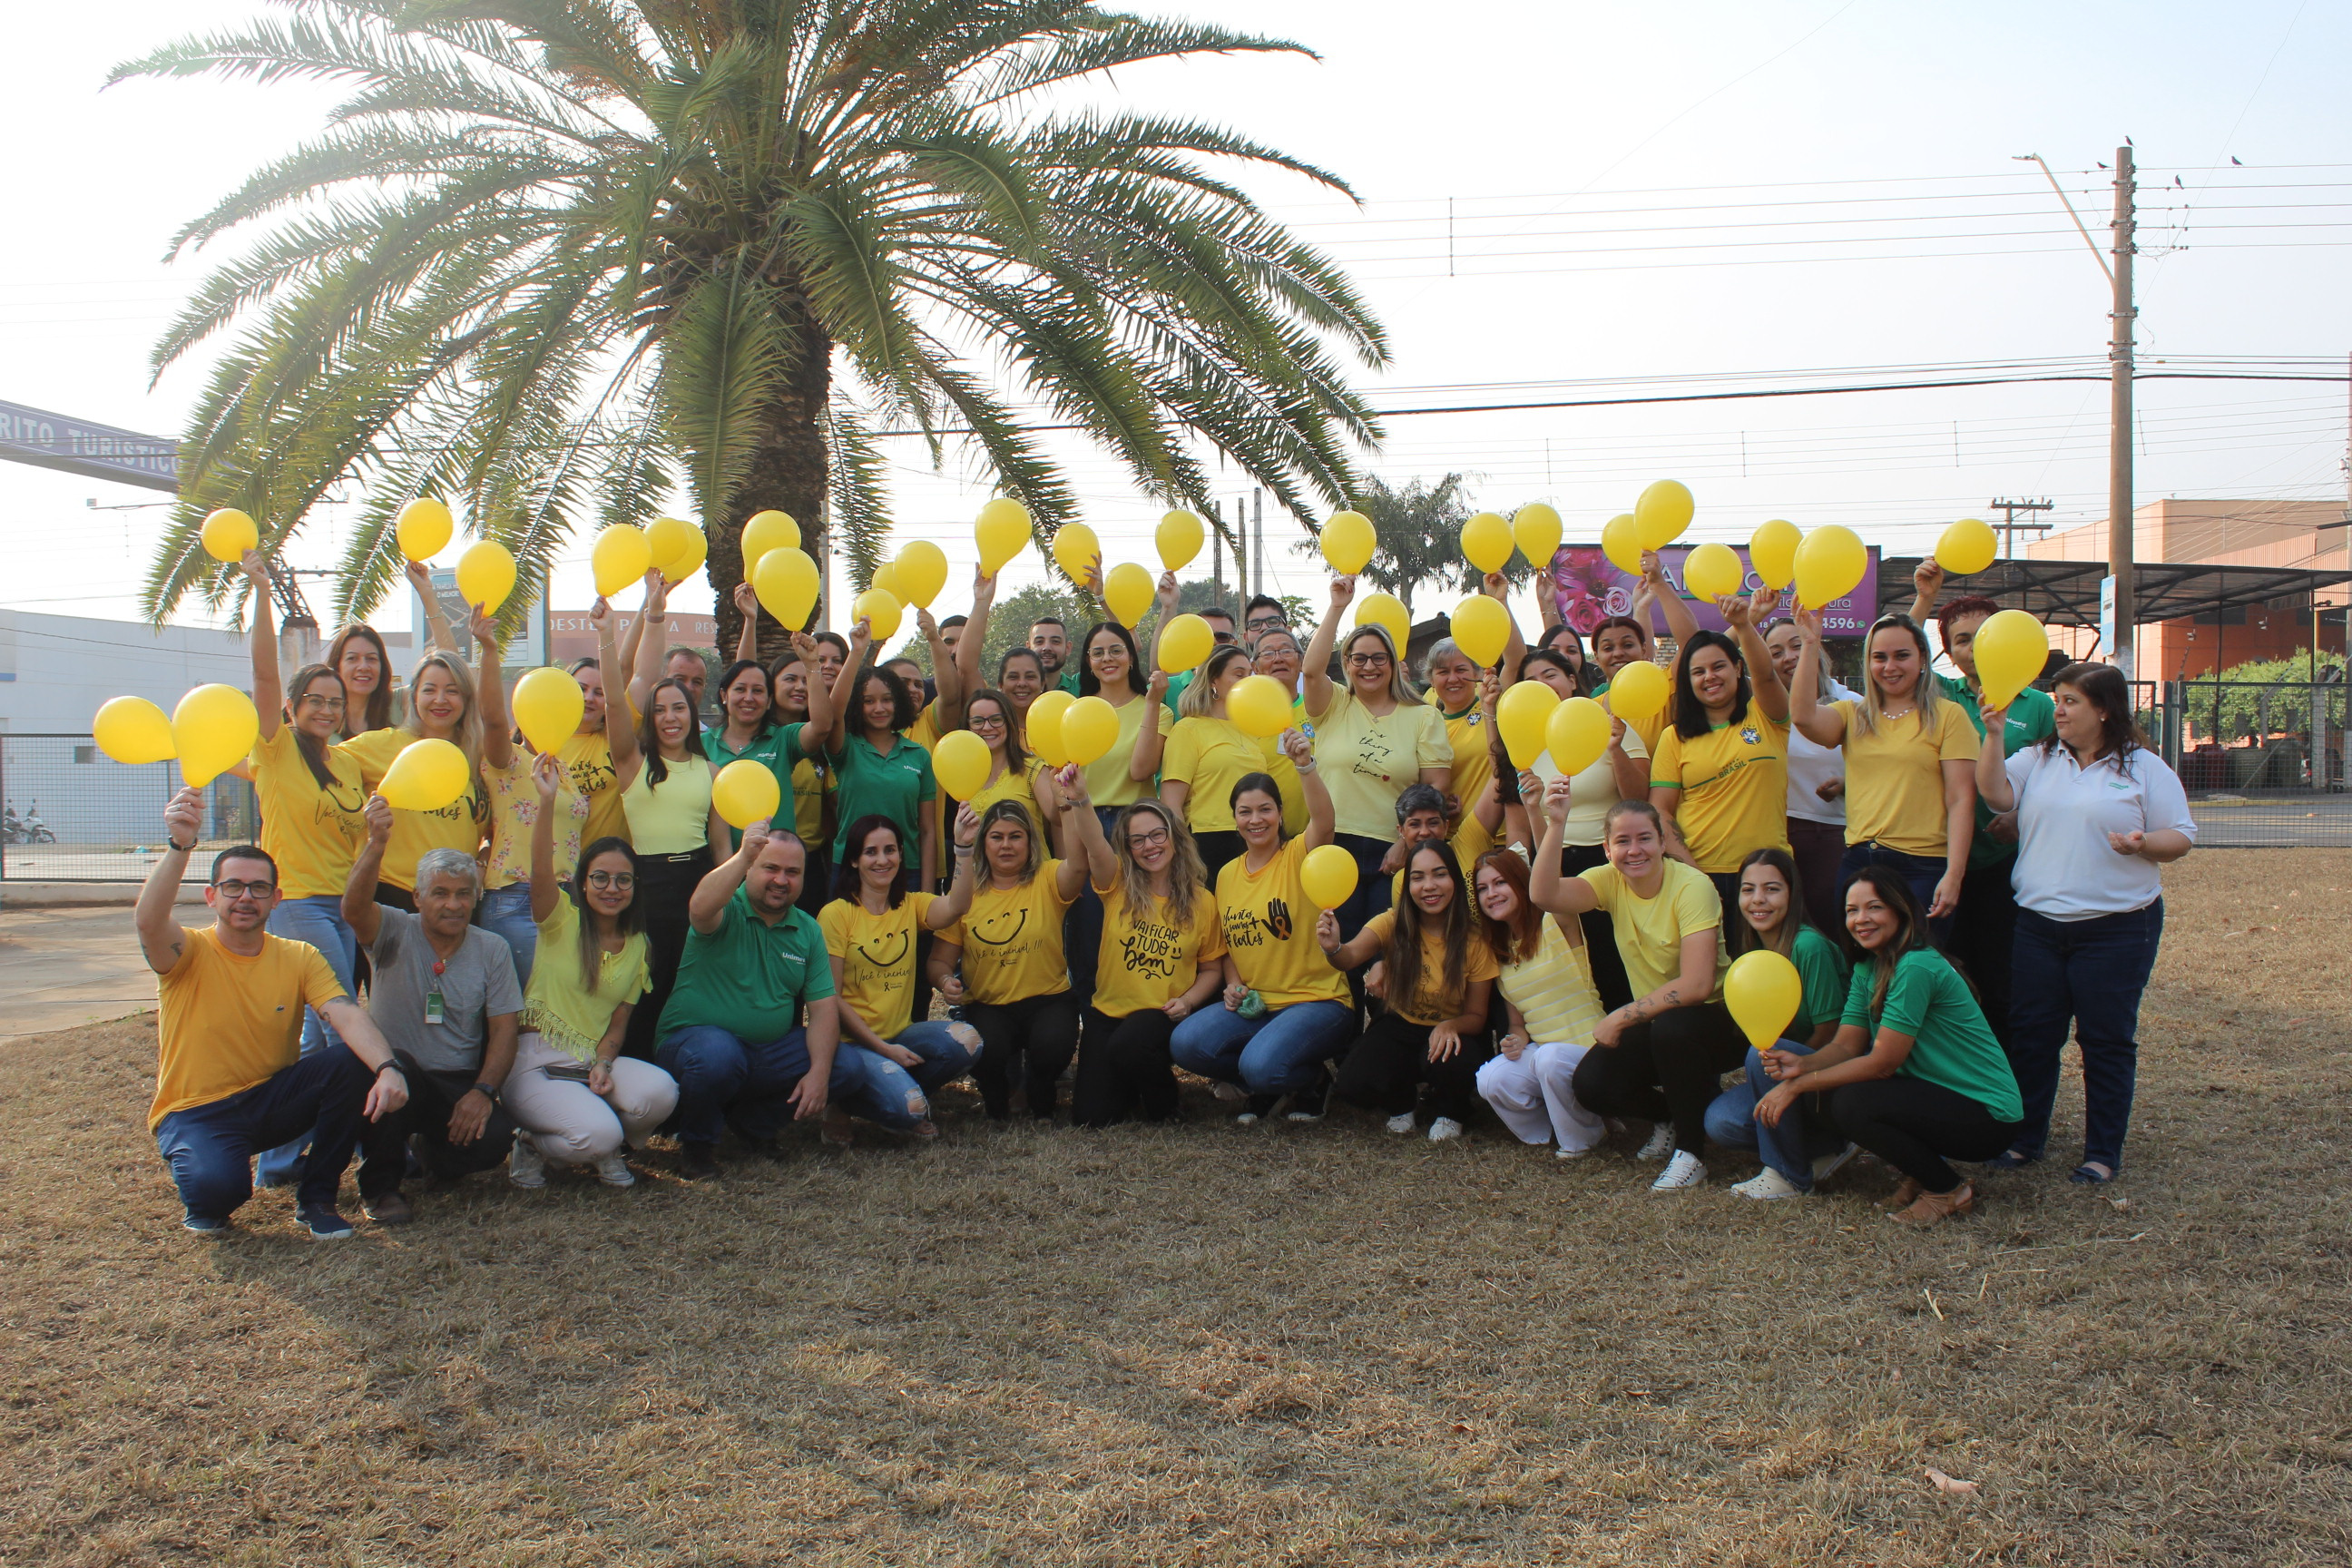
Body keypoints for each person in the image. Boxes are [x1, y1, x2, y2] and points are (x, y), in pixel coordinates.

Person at [138, 788, 405, 1240]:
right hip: (197, 1111)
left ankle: (317, 1201)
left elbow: (346, 1014)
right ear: (211, 896)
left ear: (277, 898)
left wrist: (388, 1067)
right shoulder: (188, 951)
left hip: (270, 1099)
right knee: (217, 1197)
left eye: (259, 888)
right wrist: (180, 845)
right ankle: (208, 1181)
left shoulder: (298, 955)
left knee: (350, 1062)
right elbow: (148, 922)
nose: (246, 897)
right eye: (233, 887)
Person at [1975, 661, 2194, 1183]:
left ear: (2103, 709)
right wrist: (1994, 734)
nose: (2060, 710)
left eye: (2071, 701)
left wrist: (2144, 843)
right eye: (2058, 699)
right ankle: (2025, 1140)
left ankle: (2101, 1153)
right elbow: (1995, 795)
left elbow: (2181, 837)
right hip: (2038, 926)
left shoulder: (2144, 767)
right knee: (2033, 1036)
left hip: (2118, 929)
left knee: (2105, 1040)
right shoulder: (2040, 758)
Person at [1751, 867, 2024, 1226]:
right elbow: (1847, 1046)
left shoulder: (1916, 966)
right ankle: (1920, 1172)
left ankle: (1947, 1190)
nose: (1861, 919)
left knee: (1852, 1103)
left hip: (1988, 1114)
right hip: (1935, 1095)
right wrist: (1801, 1066)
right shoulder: (1869, 966)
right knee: (1827, 1096)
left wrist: (1797, 1084)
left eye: (1874, 908)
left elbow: (1882, 1064)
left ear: (1900, 910)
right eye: (1852, 911)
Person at [1530, 791, 1740, 1191]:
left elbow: (1696, 985)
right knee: (1591, 1085)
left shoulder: (1693, 887)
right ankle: (1670, 1118)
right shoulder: (1609, 880)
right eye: (1622, 841)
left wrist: (1621, 1016)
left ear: (1663, 842)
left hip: (1715, 1020)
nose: (1634, 850)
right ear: (1607, 850)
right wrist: (1555, 824)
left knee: (1672, 1028)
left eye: (1644, 838)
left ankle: (1692, 1155)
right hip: (1658, 1019)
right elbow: (1544, 894)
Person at [498, 757, 679, 1189]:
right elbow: (540, 867)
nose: (611, 889)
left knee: (661, 1094)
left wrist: (603, 1061)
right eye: (600, 878)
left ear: (635, 887)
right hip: (536, 1063)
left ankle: (604, 1143)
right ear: (581, 883)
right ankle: (533, 1142)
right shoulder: (560, 921)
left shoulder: (639, 946)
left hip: (587, 1063)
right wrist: (546, 803)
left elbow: (618, 1024)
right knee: (599, 1134)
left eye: (622, 880)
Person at [342, 802, 524, 1226]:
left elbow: (504, 1031)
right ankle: (381, 1189)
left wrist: (482, 1092)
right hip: (395, 1075)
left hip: (455, 1082)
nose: (453, 905)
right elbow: (353, 910)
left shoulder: (491, 949)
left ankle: (433, 1156)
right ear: (417, 897)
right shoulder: (392, 929)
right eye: (440, 893)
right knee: (395, 1072)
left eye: (464, 894)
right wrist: (377, 844)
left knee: (494, 1137)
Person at [1909, 564, 2060, 1047]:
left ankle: (2002, 1082)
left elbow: (2059, 779)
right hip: (1939, 861)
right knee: (1945, 975)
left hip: (2004, 869)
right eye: (1960, 640)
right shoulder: (1941, 697)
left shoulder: (2039, 707)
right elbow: (1900, 654)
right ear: (1948, 651)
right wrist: (1925, 598)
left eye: (1982, 637)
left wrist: (2019, 815)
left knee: (2000, 980)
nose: (1971, 649)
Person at [1170, 734, 1357, 1121]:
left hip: (1316, 1001)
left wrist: (1304, 765)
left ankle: (1309, 1081)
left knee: (1260, 1066)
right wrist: (1234, 985)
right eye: (1245, 812)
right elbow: (1228, 947)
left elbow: (1324, 820)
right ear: (1234, 818)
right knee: (1186, 1044)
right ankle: (1274, 1080)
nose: (1256, 820)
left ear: (1281, 813)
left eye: (1265, 810)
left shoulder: (1299, 855)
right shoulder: (1225, 875)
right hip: (1258, 1004)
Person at [655, 820, 847, 1179]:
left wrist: (819, 1074)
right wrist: (743, 854)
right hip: (693, 1046)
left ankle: (753, 1126)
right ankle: (696, 1148)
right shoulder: (726, 907)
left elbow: (823, 1012)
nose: (781, 880)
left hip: (763, 1052)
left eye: (793, 872)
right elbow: (699, 908)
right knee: (718, 1055)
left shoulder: (808, 929)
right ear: (749, 869)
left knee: (844, 1065)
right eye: (770, 868)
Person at [238, 551, 368, 1063]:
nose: (327, 709)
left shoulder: (347, 764)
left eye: (335, 702)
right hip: (297, 903)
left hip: (344, 907)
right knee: (341, 1018)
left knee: (316, 1033)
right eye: (315, 699)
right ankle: (356, 1134)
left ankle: (293, 1141)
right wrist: (264, 593)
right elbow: (265, 677)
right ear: (293, 706)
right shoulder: (274, 748)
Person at [598, 581, 730, 1061]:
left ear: (692, 714)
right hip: (646, 888)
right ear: (649, 720)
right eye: (660, 710)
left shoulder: (711, 770)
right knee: (644, 990)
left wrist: (726, 898)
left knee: (687, 989)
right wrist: (609, 635)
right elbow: (615, 702)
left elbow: (721, 849)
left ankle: (683, 1084)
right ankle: (634, 1080)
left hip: (696, 883)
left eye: (679, 708)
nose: (670, 717)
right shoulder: (633, 763)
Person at [1788, 605, 1977, 933]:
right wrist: (1809, 643)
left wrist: (1954, 873)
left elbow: (1961, 799)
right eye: (1879, 657)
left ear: (1921, 659)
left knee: (1915, 971)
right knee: (1862, 971)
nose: (1889, 667)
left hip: (1923, 867)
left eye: (1901, 655)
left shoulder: (1949, 716)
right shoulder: (1853, 714)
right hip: (1861, 864)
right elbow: (1803, 717)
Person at [1063, 784, 1227, 1127]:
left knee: (1131, 1046)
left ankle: (1165, 1105)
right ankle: (1129, 1082)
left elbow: (1212, 968)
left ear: (1174, 836)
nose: (1149, 846)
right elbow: (1094, 842)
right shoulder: (1117, 882)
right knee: (1091, 1118)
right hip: (1107, 1015)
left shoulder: (1202, 901)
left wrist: (1189, 1002)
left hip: (1160, 1017)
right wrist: (1080, 797)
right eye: (1137, 840)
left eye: (1156, 835)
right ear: (1127, 848)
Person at [1700, 848, 1857, 1200]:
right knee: (1721, 1123)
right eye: (1748, 889)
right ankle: (1824, 1149)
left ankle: (1786, 1176)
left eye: (1772, 889)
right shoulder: (1750, 950)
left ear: (1792, 893)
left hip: (1827, 1073)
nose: (1759, 900)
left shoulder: (1809, 946)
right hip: (1781, 1067)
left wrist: (1791, 1069)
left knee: (1761, 1055)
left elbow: (1831, 1031)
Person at [1301, 573, 1451, 938]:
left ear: (1392, 661)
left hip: (1393, 852)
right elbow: (1310, 670)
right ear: (1347, 663)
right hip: (1333, 846)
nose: (1369, 667)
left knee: (1388, 948)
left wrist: (1405, 843)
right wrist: (1338, 607)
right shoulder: (1333, 704)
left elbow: (1434, 791)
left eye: (1379, 658)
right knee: (1339, 947)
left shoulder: (1423, 716)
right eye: (1359, 658)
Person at [818, 811, 982, 1143]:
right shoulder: (835, 915)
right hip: (853, 1047)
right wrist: (882, 1049)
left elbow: (957, 905)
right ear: (853, 860)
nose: (882, 860)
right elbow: (830, 1000)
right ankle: (842, 1106)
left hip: (900, 1036)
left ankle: (897, 1093)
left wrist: (963, 847)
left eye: (890, 850)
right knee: (910, 1110)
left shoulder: (910, 905)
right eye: (871, 852)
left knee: (969, 1041)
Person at [1317, 838, 1496, 1140]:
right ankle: (1403, 1102)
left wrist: (1451, 1025)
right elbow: (1348, 957)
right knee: (1352, 1082)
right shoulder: (1392, 922)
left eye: (1439, 874)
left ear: (1454, 878)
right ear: (1407, 884)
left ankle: (1450, 1110)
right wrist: (1333, 946)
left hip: (1453, 1030)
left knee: (1449, 1060)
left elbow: (1478, 1015)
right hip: (1401, 1025)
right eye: (1418, 877)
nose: (1429, 886)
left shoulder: (1474, 939)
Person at [1515, 646, 1647, 1011]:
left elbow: (1640, 797)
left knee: (1617, 959)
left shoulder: (1610, 725)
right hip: (1556, 862)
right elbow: (1534, 814)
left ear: (1572, 680)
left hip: (1613, 862)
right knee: (1577, 965)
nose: (1541, 686)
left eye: (1549, 675)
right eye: (1530, 681)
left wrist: (1616, 749)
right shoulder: (1527, 742)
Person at [949, 799, 1091, 1119]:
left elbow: (1079, 867)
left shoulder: (1048, 876)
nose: (1006, 845)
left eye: (1016, 836)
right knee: (987, 1049)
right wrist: (944, 980)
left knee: (1053, 1045)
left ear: (1030, 841)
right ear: (983, 841)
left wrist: (1067, 807)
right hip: (989, 1004)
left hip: (1048, 1000)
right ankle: (1000, 1093)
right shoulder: (966, 891)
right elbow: (939, 962)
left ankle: (1039, 1087)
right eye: (996, 837)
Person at [1650, 591, 1790, 910]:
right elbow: (1660, 811)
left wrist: (1743, 623)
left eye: (1718, 667)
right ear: (1688, 681)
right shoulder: (1674, 737)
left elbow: (1767, 675)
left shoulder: (1767, 714)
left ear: (1738, 669)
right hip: (1701, 873)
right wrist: (1693, 873)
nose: (1709, 677)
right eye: (1698, 672)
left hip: (1769, 874)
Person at [1470, 846, 1608, 1157]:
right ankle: (1552, 1129)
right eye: (1483, 888)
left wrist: (1545, 815)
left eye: (1500, 882)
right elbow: (1518, 1023)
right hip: (1546, 1055)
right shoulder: (1500, 951)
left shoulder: (1556, 922)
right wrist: (1514, 1041)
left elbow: (1552, 882)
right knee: (1491, 1078)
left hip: (1592, 1052)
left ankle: (1583, 1137)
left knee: (1549, 1058)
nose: (1491, 893)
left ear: (1521, 882)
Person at [465, 599, 574, 985]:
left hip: (567, 902)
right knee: (518, 1014)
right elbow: (492, 719)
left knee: (555, 1014)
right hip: (516, 900)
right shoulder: (506, 761)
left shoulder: (568, 771)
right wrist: (489, 651)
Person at [336, 644, 489, 911]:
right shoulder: (379, 745)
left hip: (456, 907)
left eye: (452, 691)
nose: (440, 700)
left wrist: (483, 863)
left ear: (467, 698)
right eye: (429, 690)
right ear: (414, 696)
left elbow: (499, 831)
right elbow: (306, 763)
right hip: (391, 899)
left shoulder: (481, 758)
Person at [821, 616, 939, 892]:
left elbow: (928, 831)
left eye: (887, 699)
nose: (879, 708)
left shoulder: (919, 755)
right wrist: (857, 652)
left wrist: (927, 891)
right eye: (868, 701)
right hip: (850, 870)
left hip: (904, 871)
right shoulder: (845, 747)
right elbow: (833, 714)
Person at [1761, 612, 1860, 935]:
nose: (1788, 657)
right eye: (1775, 653)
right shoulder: (1761, 711)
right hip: (1778, 834)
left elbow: (1882, 767)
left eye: (1796, 645)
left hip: (1835, 835)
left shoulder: (1852, 703)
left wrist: (1847, 784)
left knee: (1830, 929)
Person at [1160, 644, 1270, 882]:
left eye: (1250, 675)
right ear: (1213, 681)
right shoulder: (1188, 729)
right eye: (1239, 674)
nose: (1247, 681)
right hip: (1207, 843)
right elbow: (1171, 802)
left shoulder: (1252, 730)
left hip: (1256, 840)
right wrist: (1184, 856)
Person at [956, 688, 1063, 856]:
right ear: (967, 726)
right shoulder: (963, 775)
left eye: (996, 719)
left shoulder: (1031, 768)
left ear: (1009, 722)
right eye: (977, 721)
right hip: (983, 879)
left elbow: (1057, 817)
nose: (987, 727)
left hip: (1031, 877)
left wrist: (1064, 792)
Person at [1423, 638, 1495, 849]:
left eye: (1461, 669)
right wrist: (1436, 803)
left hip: (1499, 839)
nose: (1453, 678)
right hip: (1446, 842)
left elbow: (1515, 660)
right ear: (1432, 680)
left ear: (1477, 674)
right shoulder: (1424, 723)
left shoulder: (1493, 705)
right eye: (1443, 672)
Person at [558, 657, 629, 851]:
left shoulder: (617, 739)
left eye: (599, 693)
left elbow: (629, 667)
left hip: (609, 869)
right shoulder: (541, 741)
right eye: (581, 688)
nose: (589, 698)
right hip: (557, 870)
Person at [322, 622, 397, 740]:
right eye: (352, 658)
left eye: (371, 659)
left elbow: (437, 670)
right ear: (337, 666)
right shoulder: (320, 717)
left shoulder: (397, 706)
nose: (363, 667)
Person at [1030, 613, 1077, 693]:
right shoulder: (1018, 694)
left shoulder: (1082, 689)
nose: (1047, 648)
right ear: (1028, 648)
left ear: (1068, 648)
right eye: (1039, 642)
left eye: (1055, 641)